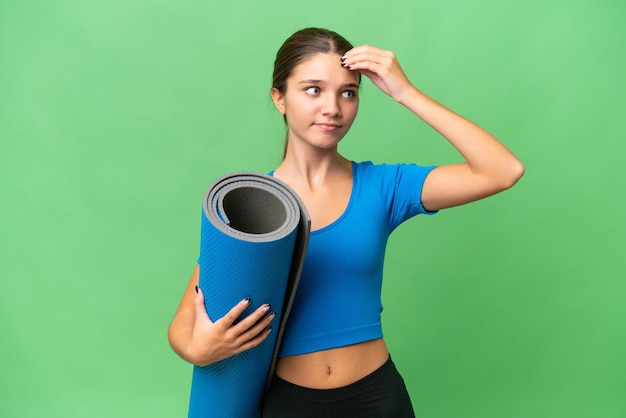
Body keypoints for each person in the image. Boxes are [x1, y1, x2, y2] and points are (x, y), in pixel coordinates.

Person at [168, 27, 524, 417]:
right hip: (289, 404)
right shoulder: (255, 205)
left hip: (378, 399)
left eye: (348, 92)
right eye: (313, 89)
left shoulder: (384, 186)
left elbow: (502, 170)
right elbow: (187, 318)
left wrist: (406, 93)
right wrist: (196, 348)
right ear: (279, 98)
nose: (333, 107)